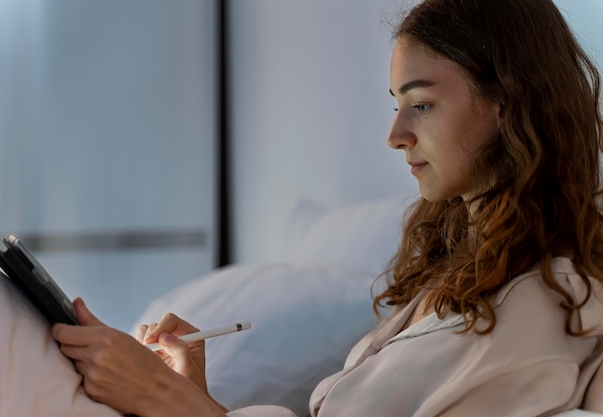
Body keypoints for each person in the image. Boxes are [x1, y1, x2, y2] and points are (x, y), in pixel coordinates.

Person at [51, 0, 603, 415]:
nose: (395, 134)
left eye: (422, 104)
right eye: (397, 106)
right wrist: (192, 395)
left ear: (507, 104)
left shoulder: (549, 297)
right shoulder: (465, 273)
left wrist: (170, 401)